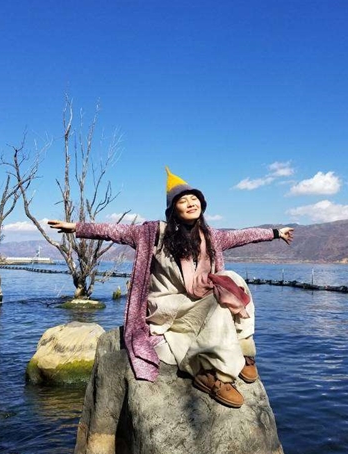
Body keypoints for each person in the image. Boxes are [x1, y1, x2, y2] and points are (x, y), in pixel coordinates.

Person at [48, 167, 293, 408]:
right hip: (168, 305)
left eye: (194, 199)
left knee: (233, 279)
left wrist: (275, 233)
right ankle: (217, 376)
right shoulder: (153, 234)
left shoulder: (211, 236)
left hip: (198, 299)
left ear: (202, 204)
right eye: (183, 201)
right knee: (218, 302)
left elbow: (244, 235)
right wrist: (77, 227)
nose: (190, 203)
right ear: (173, 209)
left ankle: (245, 350)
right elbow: (115, 231)